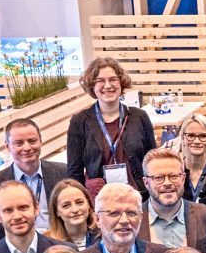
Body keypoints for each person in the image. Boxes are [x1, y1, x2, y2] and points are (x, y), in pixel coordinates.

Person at [67, 57, 158, 194]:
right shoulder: (80, 121)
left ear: (121, 82)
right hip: (100, 200)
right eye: (100, 81)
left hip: (139, 195)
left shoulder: (140, 117)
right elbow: (74, 172)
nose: (108, 85)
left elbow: (153, 161)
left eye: (113, 79)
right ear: (92, 85)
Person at [0, 117, 68, 231]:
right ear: (8, 147)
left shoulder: (64, 173)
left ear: (41, 141)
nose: (27, 148)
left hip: (58, 242)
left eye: (32, 141)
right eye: (19, 143)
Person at [139, 150, 206, 253]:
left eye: (174, 176)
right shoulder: (134, 221)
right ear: (146, 183)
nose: (167, 183)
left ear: (183, 178)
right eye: (159, 178)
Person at [0, 180, 66, 253]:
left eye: (23, 207)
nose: (17, 216)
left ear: (36, 208)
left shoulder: (66, 251)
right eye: (8, 210)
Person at [177, 113, 206, 203]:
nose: (197, 141)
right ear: (182, 138)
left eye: (203, 136)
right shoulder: (173, 174)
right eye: (191, 135)